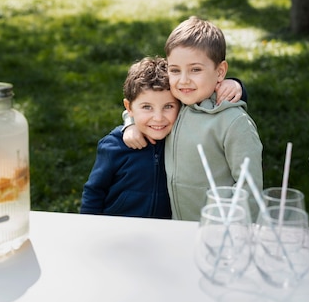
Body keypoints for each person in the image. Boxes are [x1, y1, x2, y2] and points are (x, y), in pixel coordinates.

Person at [124, 17, 263, 221]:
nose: (183, 80)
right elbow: (141, 106)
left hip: (219, 232)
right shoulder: (174, 104)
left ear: (220, 71)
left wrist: (229, 231)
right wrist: (130, 124)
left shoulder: (234, 123)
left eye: (195, 69)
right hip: (176, 226)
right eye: (175, 70)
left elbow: (249, 190)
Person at [80, 56, 244, 218]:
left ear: (181, 105)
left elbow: (212, 99)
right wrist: (88, 227)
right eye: (147, 107)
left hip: (167, 229)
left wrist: (234, 84)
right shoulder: (114, 145)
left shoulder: (181, 137)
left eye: (168, 106)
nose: (158, 118)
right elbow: (94, 193)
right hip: (119, 229)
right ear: (129, 107)